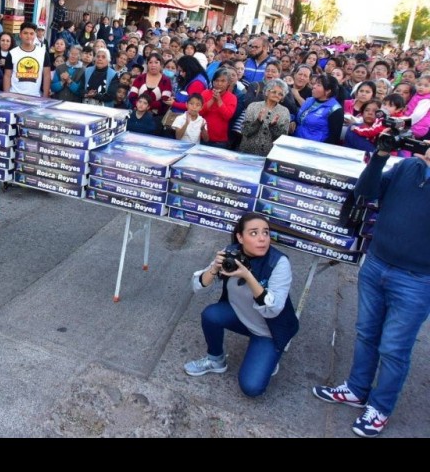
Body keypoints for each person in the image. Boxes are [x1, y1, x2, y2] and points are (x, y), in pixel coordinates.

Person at [312, 141, 430, 437]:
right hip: (377, 262)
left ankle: (380, 407)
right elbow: (366, 192)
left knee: (394, 348)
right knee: (366, 332)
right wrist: (380, 157)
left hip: (417, 279)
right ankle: (356, 389)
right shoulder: (407, 166)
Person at [184, 213, 299, 398]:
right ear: (240, 237)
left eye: (266, 232)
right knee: (211, 314)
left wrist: (248, 276)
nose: (262, 238)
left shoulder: (278, 262)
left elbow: (273, 310)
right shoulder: (231, 252)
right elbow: (198, 288)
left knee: (251, 387)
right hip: (242, 315)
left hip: (269, 330)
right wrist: (214, 269)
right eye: (254, 233)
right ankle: (216, 360)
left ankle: (268, 354)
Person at [239, 79, 290, 156]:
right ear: (266, 92)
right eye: (274, 92)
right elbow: (245, 131)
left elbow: (282, 139)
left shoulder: (284, 111)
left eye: (280, 94)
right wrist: (258, 122)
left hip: (270, 154)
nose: (277, 95)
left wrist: (273, 126)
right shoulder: (253, 106)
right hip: (248, 153)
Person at [3, 22, 51, 98]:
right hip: (14, 96)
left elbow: (47, 76)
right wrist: (6, 95)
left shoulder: (43, 53)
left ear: (35, 35)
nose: (28, 36)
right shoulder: (12, 53)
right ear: (20, 35)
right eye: (25, 33)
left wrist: (45, 96)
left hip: (35, 97)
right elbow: (7, 76)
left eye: (31, 34)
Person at [294, 74, 343, 144]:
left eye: (318, 85)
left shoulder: (335, 109)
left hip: (315, 146)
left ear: (328, 91)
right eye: (315, 84)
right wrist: (293, 121)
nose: (314, 86)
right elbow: (301, 118)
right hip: (297, 141)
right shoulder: (309, 100)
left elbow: (334, 138)